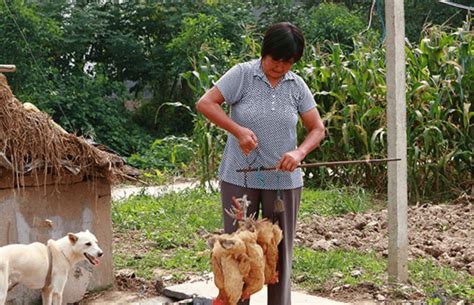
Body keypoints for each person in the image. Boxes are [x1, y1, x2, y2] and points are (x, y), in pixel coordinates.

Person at [196, 22, 325, 305]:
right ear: (264, 52)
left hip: (283, 181)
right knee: (237, 250)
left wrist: (299, 153)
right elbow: (206, 103)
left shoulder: (296, 86)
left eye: (288, 62)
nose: (280, 67)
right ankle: (235, 301)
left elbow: (317, 128)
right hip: (240, 178)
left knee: (277, 250)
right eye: (275, 60)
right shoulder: (242, 75)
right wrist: (237, 130)